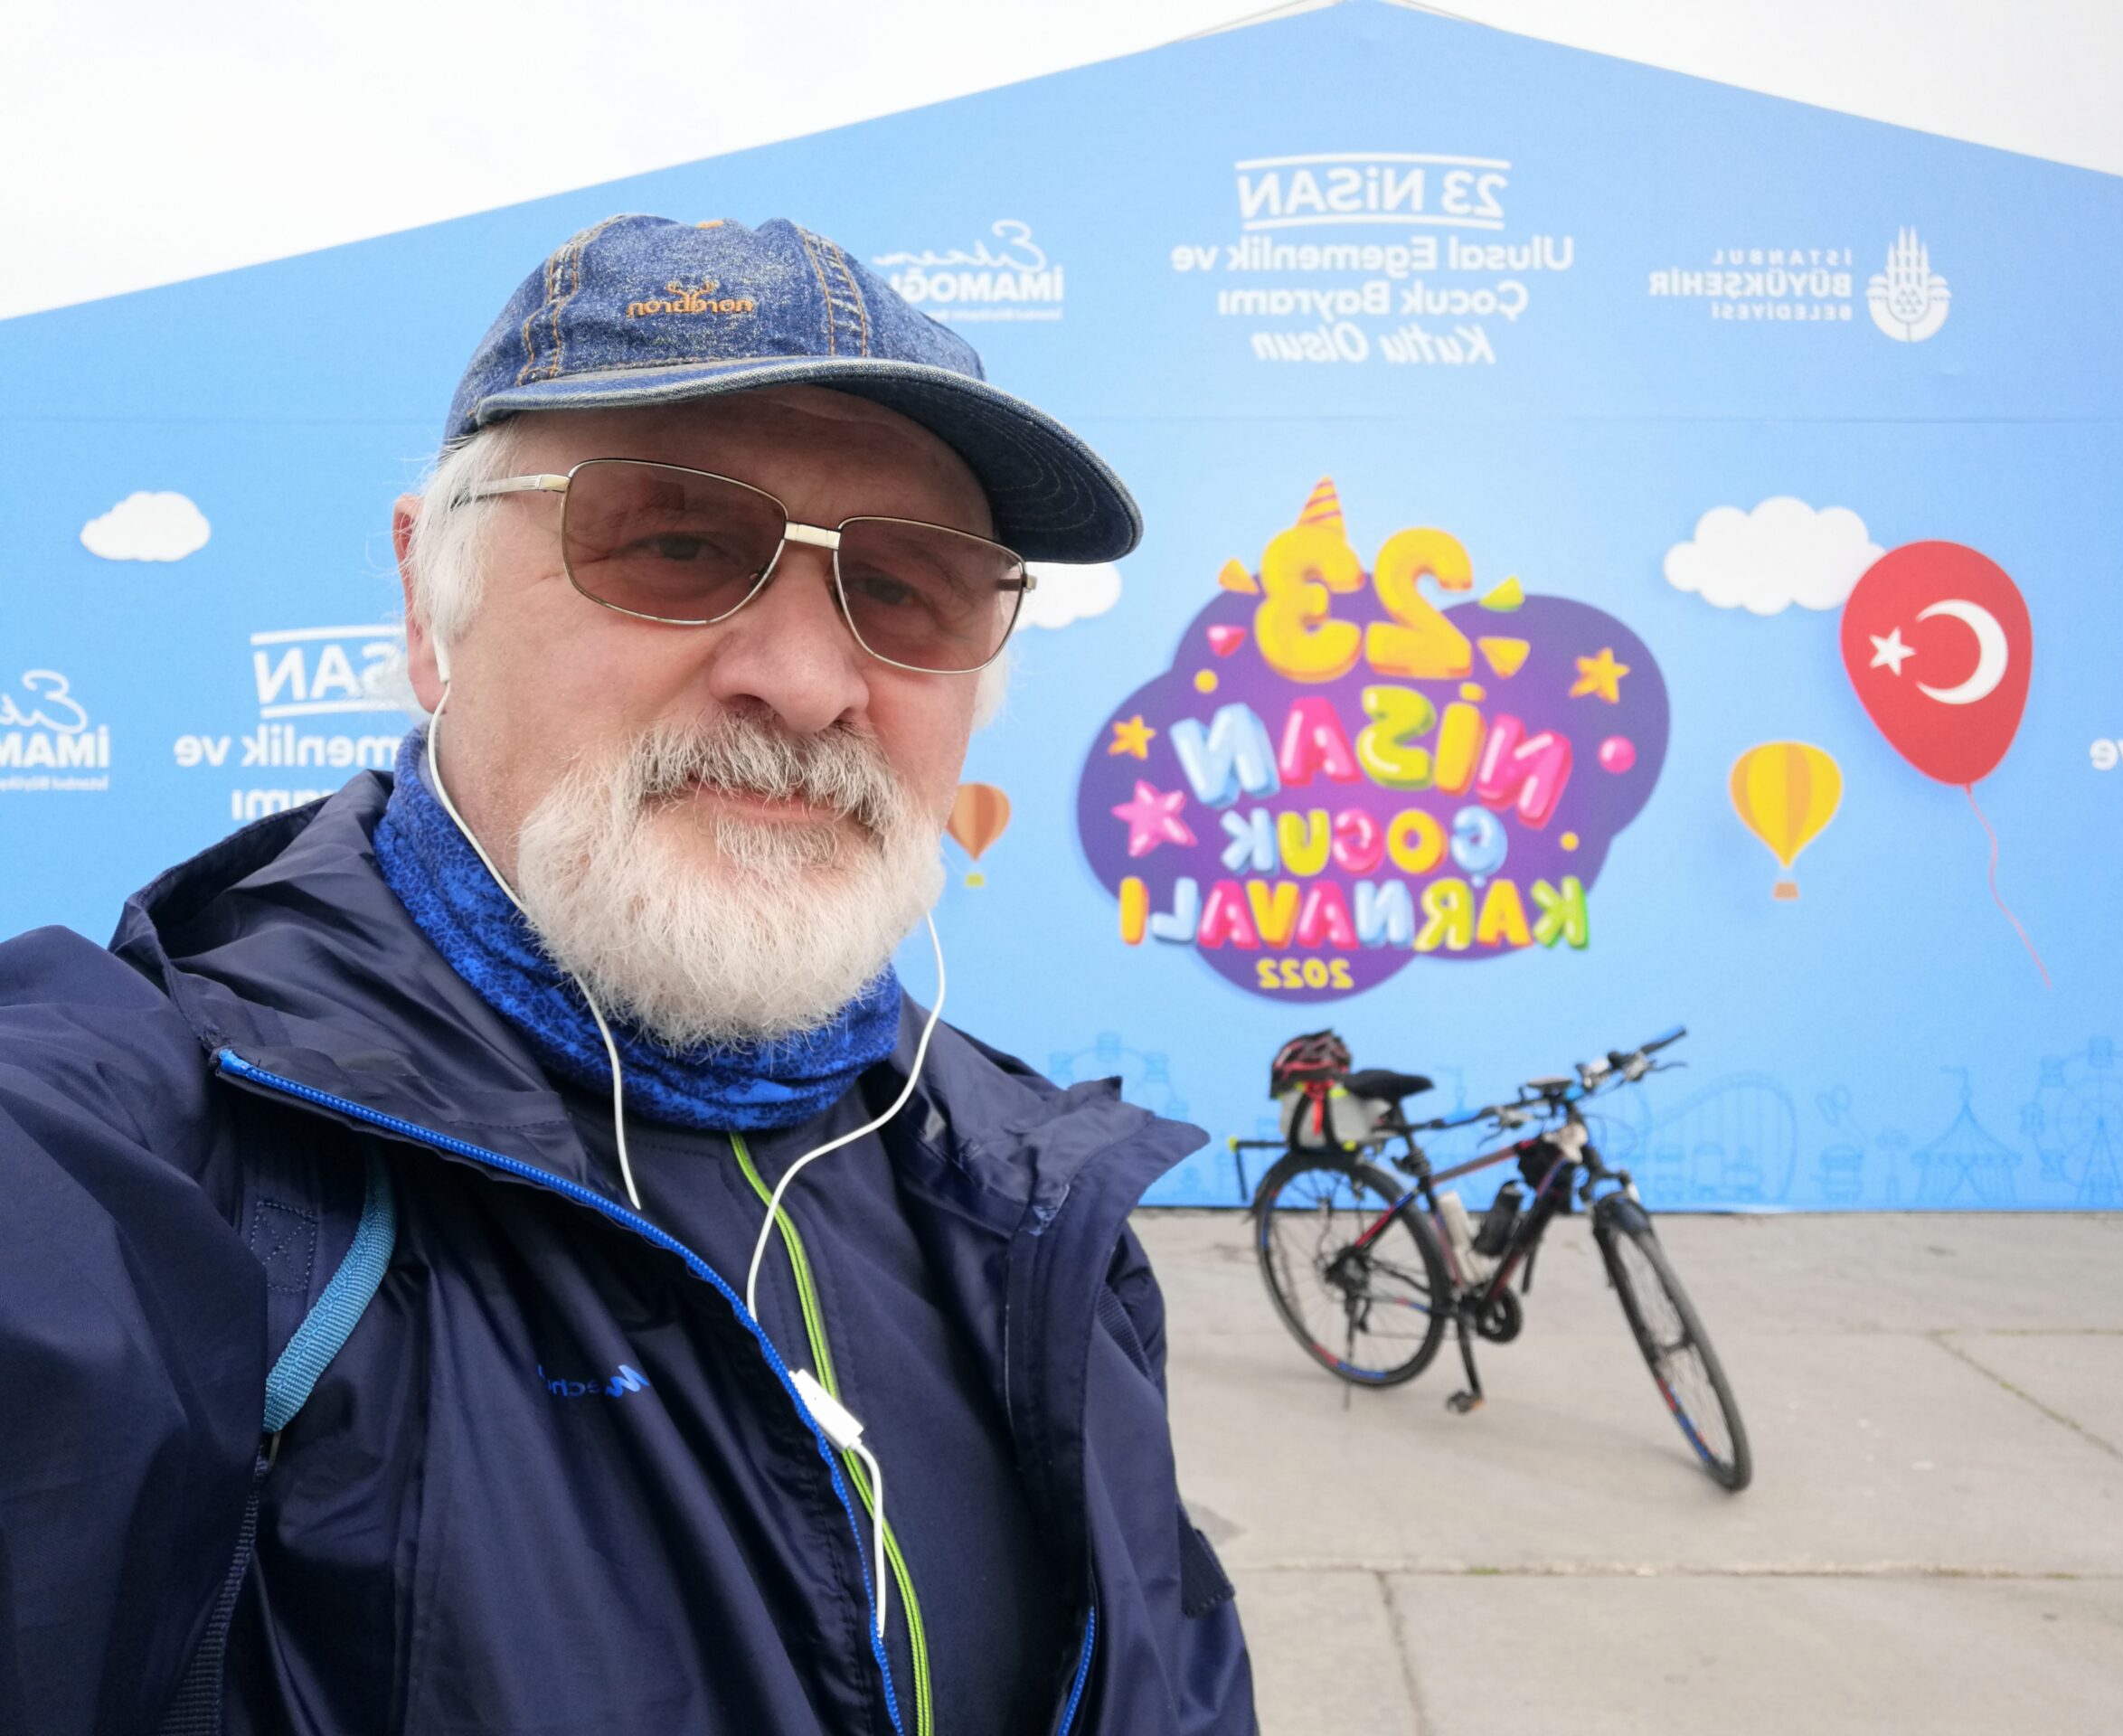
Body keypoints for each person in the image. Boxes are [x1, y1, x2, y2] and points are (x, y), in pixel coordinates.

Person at [0, 214, 1255, 1735]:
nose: (805, 682)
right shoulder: (137, 1156)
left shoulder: (1035, 1207)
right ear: (431, 606)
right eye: (676, 545)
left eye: (906, 585)